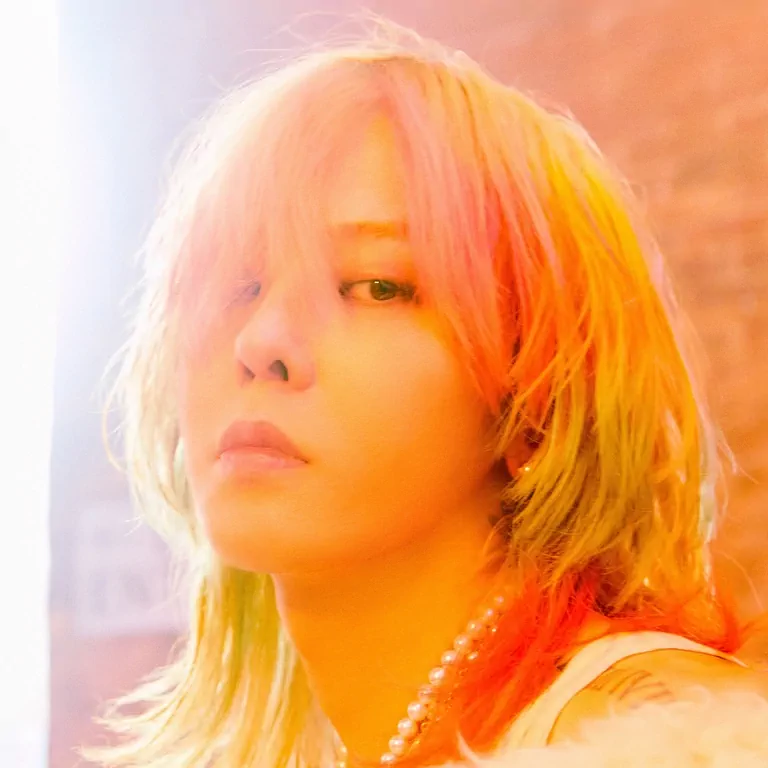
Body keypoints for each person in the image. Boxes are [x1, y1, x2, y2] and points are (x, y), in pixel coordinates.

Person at [86, 19, 768, 768]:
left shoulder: (664, 747)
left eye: (376, 285)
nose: (260, 341)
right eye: (238, 285)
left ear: (536, 394)